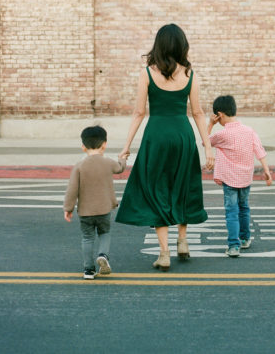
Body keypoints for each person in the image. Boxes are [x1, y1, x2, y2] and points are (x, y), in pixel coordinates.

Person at [115, 24, 215, 271]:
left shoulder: (147, 74)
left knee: (156, 189)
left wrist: (126, 146)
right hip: (182, 135)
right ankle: (183, 239)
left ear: (158, 45)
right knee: (182, 185)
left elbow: (139, 112)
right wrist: (208, 147)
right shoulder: (190, 74)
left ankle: (164, 252)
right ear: (182, 45)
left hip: (156, 137)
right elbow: (198, 113)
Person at [206, 95, 272, 257]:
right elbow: (259, 150)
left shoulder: (222, 135)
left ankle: (234, 246)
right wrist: (267, 171)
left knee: (231, 212)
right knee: (244, 208)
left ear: (219, 115)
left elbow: (205, 141)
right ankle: (245, 239)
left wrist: (210, 125)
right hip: (245, 178)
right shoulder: (249, 131)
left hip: (230, 180)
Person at [63, 125, 127, 279]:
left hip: (85, 211)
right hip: (104, 209)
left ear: (83, 147)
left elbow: (72, 189)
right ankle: (103, 255)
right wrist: (122, 158)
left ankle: (88, 270)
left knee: (87, 238)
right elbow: (119, 168)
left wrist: (68, 208)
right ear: (104, 144)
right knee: (105, 233)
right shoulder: (108, 162)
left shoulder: (79, 166)